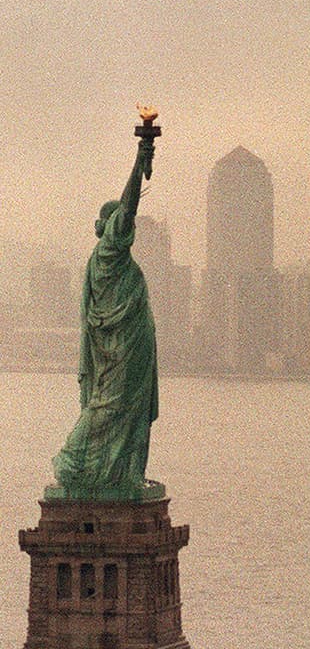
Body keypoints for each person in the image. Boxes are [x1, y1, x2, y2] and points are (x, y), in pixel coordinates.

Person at [52, 131, 159, 496]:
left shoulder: (105, 260)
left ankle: (121, 471)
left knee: (129, 406)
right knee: (111, 404)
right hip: (120, 345)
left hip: (129, 342)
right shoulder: (109, 252)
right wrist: (139, 158)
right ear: (113, 227)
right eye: (121, 224)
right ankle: (74, 461)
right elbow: (129, 207)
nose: (127, 228)